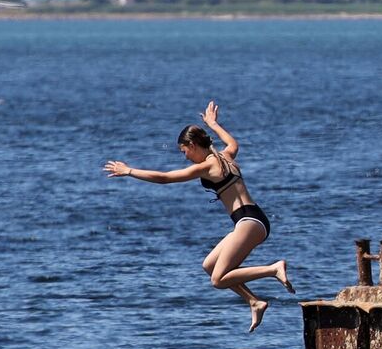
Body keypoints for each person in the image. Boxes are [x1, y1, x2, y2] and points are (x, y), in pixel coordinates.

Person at [104, 101, 294, 332]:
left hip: (248, 222)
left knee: (218, 279)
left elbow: (165, 177)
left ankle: (273, 269)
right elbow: (234, 142)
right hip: (254, 219)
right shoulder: (226, 155)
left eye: (184, 152)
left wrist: (130, 171)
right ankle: (254, 301)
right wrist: (213, 123)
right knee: (209, 265)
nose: (185, 158)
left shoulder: (207, 166)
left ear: (192, 145)